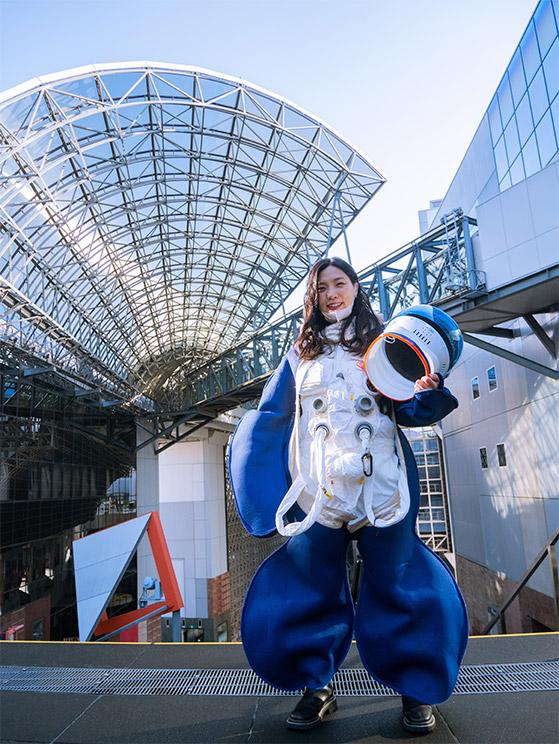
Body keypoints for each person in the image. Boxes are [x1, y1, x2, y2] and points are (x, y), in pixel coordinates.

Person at [229, 257, 469, 734]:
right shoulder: (298, 355)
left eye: (339, 283)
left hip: (382, 490)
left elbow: (410, 410)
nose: (331, 293)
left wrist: (427, 392)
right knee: (310, 587)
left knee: (400, 584)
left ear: (356, 287)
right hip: (317, 493)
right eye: (321, 288)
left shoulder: (387, 342)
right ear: (313, 298)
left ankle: (416, 688)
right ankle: (315, 686)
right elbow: (271, 414)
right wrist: (256, 482)